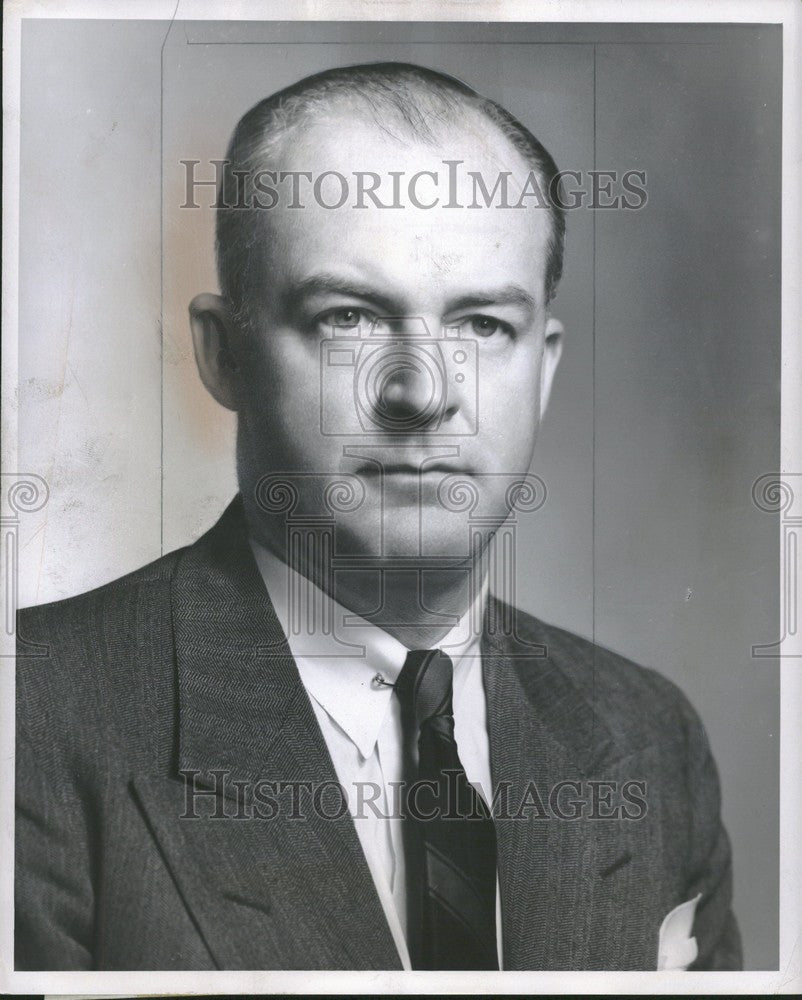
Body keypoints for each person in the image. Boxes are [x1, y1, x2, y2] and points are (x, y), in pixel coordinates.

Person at [15, 62, 741, 971]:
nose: (422, 392)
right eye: (349, 317)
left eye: (481, 326)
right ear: (223, 355)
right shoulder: (31, 716)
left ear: (543, 369)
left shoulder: (646, 736)